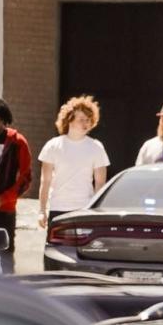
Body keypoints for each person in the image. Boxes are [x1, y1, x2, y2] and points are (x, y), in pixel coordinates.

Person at [37, 96, 110, 228]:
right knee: (56, 248)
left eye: (88, 120)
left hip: (84, 209)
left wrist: (96, 211)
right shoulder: (53, 146)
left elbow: (100, 183)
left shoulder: (96, 147)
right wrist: (42, 211)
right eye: (81, 119)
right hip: (58, 208)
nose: (86, 123)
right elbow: (45, 181)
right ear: (69, 119)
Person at [0, 99, 33, 272]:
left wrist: (3, 199)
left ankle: (8, 295)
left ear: (4, 120)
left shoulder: (18, 142)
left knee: (5, 255)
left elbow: (25, 179)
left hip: (6, 209)